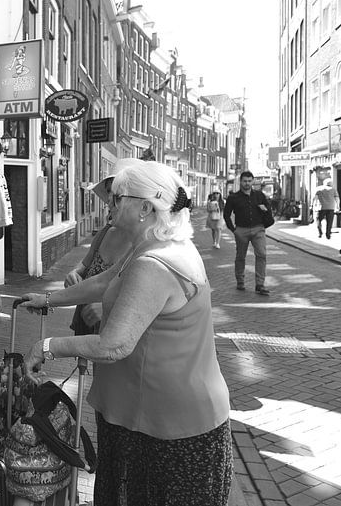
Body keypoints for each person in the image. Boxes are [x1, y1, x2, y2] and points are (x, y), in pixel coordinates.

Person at [19, 160, 232, 506]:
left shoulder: (154, 264)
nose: (111, 203)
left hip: (164, 426)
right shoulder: (150, 246)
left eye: (119, 197)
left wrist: (46, 346)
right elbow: (103, 281)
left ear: (146, 207)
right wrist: (48, 299)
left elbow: (113, 344)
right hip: (146, 414)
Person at [64, 160, 139, 333]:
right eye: (108, 194)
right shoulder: (104, 233)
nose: (109, 202)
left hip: (116, 330)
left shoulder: (144, 245)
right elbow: (84, 266)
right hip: (87, 320)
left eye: (118, 196)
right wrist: (73, 274)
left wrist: (107, 307)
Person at [223, 171, 272, 295]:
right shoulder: (233, 198)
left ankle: (260, 284)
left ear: (253, 181)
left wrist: (264, 217)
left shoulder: (259, 195)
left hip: (258, 229)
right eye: (245, 181)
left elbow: (269, 211)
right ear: (241, 181)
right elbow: (226, 215)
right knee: (240, 256)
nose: (247, 183)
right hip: (241, 230)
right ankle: (240, 280)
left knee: (262, 254)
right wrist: (234, 230)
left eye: (249, 181)